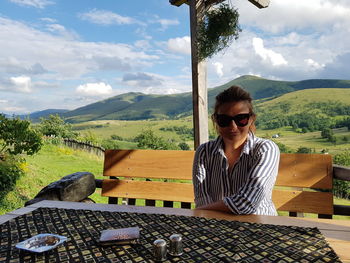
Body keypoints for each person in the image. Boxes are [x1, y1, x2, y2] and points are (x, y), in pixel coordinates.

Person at [192, 85, 280, 216]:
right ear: (215, 120)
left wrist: (200, 211)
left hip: (260, 226)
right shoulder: (204, 152)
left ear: (251, 119)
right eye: (224, 120)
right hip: (216, 226)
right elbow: (202, 200)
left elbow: (247, 203)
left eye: (241, 119)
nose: (233, 127)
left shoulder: (265, 149)